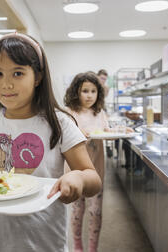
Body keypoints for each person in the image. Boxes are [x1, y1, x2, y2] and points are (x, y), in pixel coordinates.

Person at [0, 33, 102, 252]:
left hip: (43, 243)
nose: (6, 83)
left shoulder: (59, 123)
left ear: (38, 77)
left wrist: (78, 177)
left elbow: (94, 179)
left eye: (18, 73)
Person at [64, 71, 109, 252]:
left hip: (97, 169)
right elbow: (63, 137)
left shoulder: (100, 113)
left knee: (95, 211)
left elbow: (107, 131)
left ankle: (92, 248)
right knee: (77, 210)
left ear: (99, 93)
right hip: (75, 170)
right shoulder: (69, 113)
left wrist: (122, 130)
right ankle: (77, 247)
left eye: (93, 91)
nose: (89, 95)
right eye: (85, 91)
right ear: (76, 92)